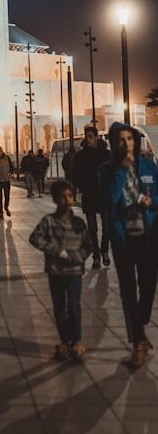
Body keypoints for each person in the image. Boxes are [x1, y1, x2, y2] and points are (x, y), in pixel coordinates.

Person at [101, 122, 158, 369]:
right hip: (123, 239)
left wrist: (150, 201)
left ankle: (141, 319)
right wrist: (121, 171)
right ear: (114, 144)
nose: (127, 144)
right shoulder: (107, 171)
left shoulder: (148, 166)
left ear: (135, 140)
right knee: (128, 291)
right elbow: (109, 201)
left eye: (130, 139)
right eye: (121, 140)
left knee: (147, 286)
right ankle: (138, 342)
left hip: (148, 236)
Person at [29, 179, 93, 361]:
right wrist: (56, 251)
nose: (67, 200)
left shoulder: (79, 223)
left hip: (74, 272)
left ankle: (77, 341)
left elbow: (88, 245)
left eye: (70, 196)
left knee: (74, 306)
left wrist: (78, 257)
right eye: (62, 197)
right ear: (55, 199)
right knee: (59, 308)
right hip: (56, 271)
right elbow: (35, 238)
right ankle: (65, 340)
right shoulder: (48, 221)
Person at [73, 124, 111, 269]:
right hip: (89, 195)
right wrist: (81, 188)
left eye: (91, 137)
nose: (88, 140)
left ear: (96, 137)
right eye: (86, 137)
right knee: (92, 229)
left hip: (104, 195)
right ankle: (96, 256)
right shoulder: (80, 156)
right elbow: (76, 175)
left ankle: (104, 250)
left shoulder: (106, 155)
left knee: (107, 227)